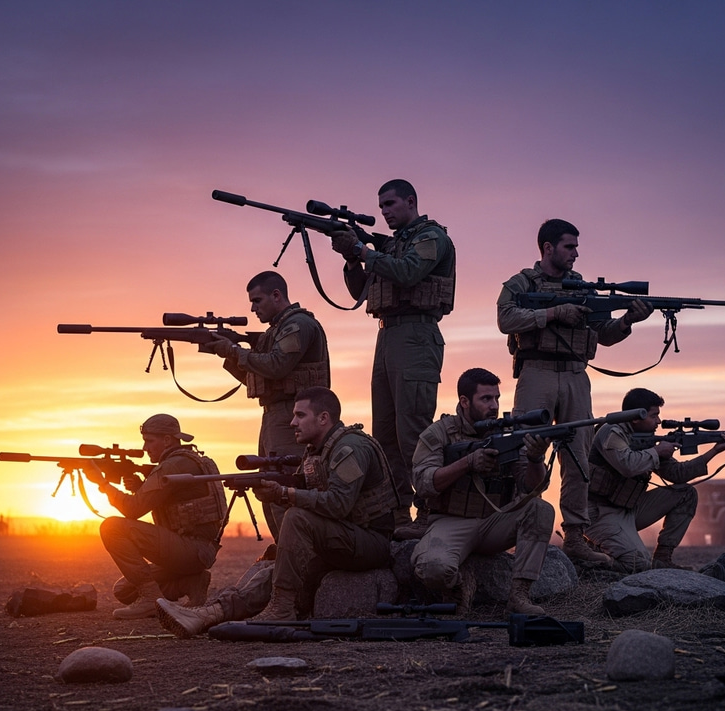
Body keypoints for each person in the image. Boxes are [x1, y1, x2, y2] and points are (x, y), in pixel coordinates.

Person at [156, 386, 398, 637]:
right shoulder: (318, 451)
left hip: (372, 541)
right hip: (345, 537)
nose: (293, 422)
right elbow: (311, 493)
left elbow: (338, 504)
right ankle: (210, 614)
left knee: (296, 518)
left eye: (300, 415)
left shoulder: (349, 450)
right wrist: (277, 493)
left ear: (323, 418)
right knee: (276, 570)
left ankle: (281, 611)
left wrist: (285, 495)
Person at [497, 218, 653, 568]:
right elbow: (506, 320)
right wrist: (555, 313)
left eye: (576, 247)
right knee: (526, 450)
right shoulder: (521, 283)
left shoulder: (581, 287)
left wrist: (628, 320)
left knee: (578, 457)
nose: (576, 254)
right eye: (569, 246)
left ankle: (575, 538)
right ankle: (517, 528)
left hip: (575, 374)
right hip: (536, 371)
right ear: (548, 248)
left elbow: (606, 334)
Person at [329, 179, 456, 536]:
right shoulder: (394, 244)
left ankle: (429, 512)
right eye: (381, 206)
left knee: (412, 432)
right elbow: (361, 290)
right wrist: (353, 259)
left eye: (390, 204)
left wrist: (364, 248)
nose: (384, 212)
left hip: (416, 335)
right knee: (384, 434)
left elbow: (409, 271)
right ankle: (398, 513)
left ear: (411, 201)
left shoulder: (430, 237)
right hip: (387, 335)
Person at [410, 368, 555, 616]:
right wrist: (467, 463)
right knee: (433, 568)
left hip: (495, 521)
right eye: (486, 399)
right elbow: (423, 483)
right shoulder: (439, 433)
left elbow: (532, 488)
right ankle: (461, 586)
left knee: (540, 509)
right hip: (450, 521)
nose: (494, 405)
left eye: (497, 398)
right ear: (464, 401)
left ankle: (519, 597)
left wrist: (535, 458)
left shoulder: (506, 434)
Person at [209, 271, 329, 543]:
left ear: (277, 295)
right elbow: (257, 378)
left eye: (257, 301)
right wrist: (229, 354)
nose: (253, 308)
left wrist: (234, 351)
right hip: (276, 414)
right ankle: (284, 552)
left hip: (293, 416)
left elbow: (277, 366)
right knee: (268, 484)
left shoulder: (297, 325)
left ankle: (296, 554)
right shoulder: (275, 331)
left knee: (283, 484)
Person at [83, 414, 227, 620]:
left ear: (167, 440)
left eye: (149, 441)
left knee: (111, 527)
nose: (144, 448)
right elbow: (175, 502)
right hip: (196, 551)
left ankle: (151, 599)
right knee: (124, 590)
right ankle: (191, 583)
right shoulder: (188, 461)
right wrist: (141, 486)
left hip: (189, 549)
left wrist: (103, 484)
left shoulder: (172, 466)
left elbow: (133, 509)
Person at [585, 388, 725, 572]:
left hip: (630, 509)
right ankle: (590, 557)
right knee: (638, 564)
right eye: (654, 415)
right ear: (636, 417)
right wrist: (657, 451)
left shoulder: (646, 440)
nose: (658, 421)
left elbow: (677, 474)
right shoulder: (611, 431)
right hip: (599, 513)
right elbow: (627, 465)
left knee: (686, 494)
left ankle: (663, 558)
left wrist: (714, 451)